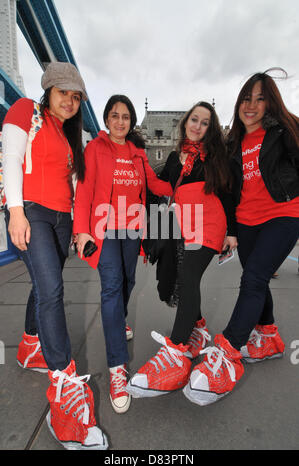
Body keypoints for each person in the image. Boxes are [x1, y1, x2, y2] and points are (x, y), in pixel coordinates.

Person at [2, 62, 108, 450]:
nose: (71, 100)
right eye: (65, 92)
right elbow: (11, 159)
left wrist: (81, 230)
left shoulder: (69, 138)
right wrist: (15, 211)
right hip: (32, 211)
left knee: (45, 286)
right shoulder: (25, 111)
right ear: (49, 90)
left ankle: (31, 344)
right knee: (52, 291)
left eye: (77, 96)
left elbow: (78, 188)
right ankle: (63, 384)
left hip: (63, 221)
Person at [183, 68, 299, 406]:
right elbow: (229, 190)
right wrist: (231, 230)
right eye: (247, 98)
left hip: (283, 214)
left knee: (253, 278)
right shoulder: (233, 142)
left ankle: (229, 351)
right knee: (256, 281)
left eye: (260, 99)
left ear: (270, 103)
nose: (251, 105)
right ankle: (270, 338)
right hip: (247, 221)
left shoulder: (285, 131)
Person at [126, 101, 237, 398]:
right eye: (194, 120)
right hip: (181, 224)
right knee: (179, 278)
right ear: (185, 122)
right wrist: (134, 160)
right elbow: (159, 187)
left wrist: (233, 233)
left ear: (210, 128)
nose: (197, 126)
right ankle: (198, 328)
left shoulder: (217, 156)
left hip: (209, 223)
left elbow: (229, 194)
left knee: (189, 278)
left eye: (204, 122)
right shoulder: (175, 156)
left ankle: (176, 352)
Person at [73, 95, 173, 414]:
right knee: (113, 286)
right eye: (115, 116)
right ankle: (118, 368)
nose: (120, 121)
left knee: (129, 281)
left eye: (126, 117)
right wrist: (81, 230)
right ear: (106, 119)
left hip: (131, 229)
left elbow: (154, 183)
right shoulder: (95, 149)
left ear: (130, 123)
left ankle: (120, 321)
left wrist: (180, 181)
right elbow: (85, 191)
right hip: (103, 230)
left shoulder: (137, 153)